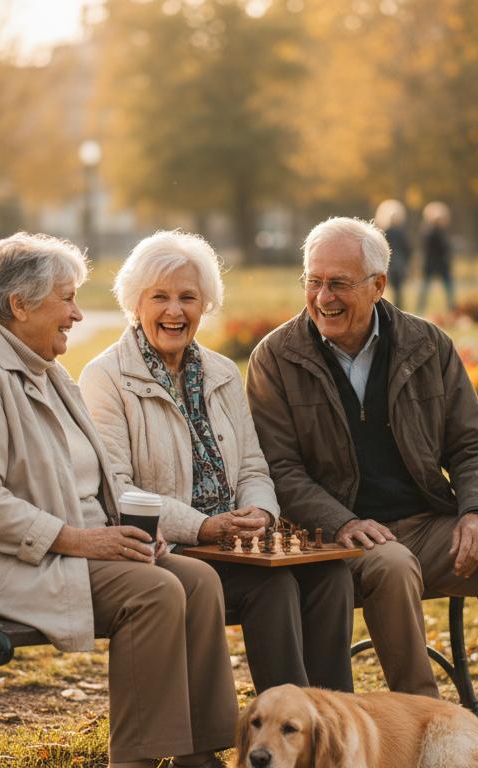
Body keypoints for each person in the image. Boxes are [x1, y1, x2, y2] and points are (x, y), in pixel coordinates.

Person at [245, 217, 478, 768]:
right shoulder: (276, 357)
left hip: (427, 522)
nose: (322, 297)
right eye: (313, 281)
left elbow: (473, 442)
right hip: (333, 536)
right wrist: (341, 520)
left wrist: (477, 513)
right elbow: (279, 467)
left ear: (378, 285)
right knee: (392, 564)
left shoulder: (427, 344)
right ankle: (424, 719)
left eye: (339, 284)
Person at [0, 233, 234, 768]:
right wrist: (85, 540)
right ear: (19, 304)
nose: (77, 314)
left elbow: (92, 480)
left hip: (67, 552)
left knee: (197, 580)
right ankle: (135, 758)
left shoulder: (48, 372)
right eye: (66, 299)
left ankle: (197, 755)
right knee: (152, 592)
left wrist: (129, 527)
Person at [80, 230, 355, 694]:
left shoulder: (222, 372)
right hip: (172, 548)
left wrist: (261, 512)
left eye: (188, 297)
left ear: (204, 304)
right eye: (160, 297)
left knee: (329, 573)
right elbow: (118, 490)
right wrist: (203, 528)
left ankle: (333, 723)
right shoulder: (106, 377)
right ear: (136, 303)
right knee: (274, 588)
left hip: (235, 544)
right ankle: (287, 727)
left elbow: (252, 466)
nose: (175, 311)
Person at [416, 201, 455, 314]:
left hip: (442, 265)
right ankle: (420, 310)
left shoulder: (443, 232)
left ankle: (452, 309)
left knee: (449, 289)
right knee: (425, 289)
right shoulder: (429, 231)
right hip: (431, 265)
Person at [374, 199, 411, 311]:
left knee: (392, 287)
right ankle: (396, 307)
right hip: (395, 263)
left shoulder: (385, 232)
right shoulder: (397, 232)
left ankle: (394, 307)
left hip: (393, 263)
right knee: (394, 288)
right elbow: (408, 248)